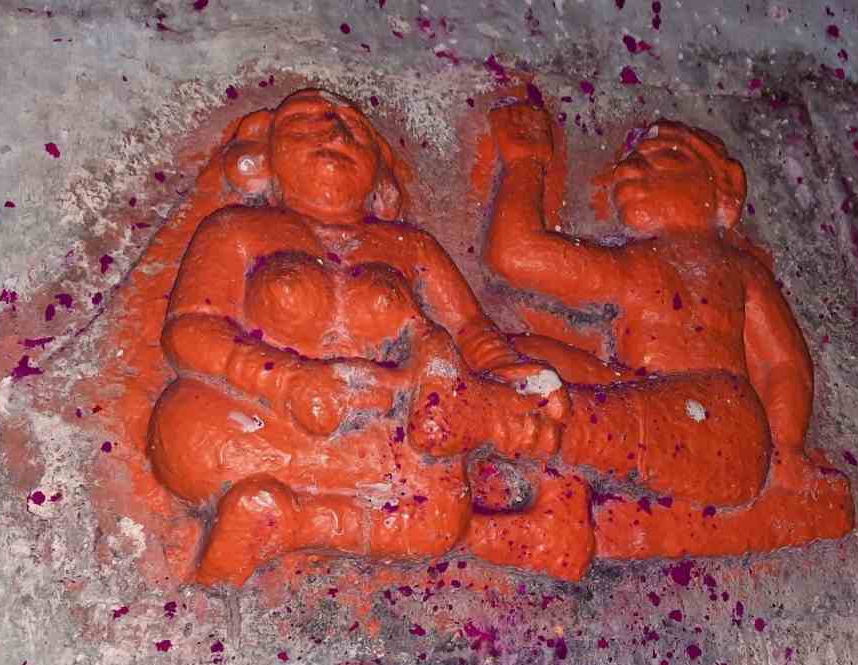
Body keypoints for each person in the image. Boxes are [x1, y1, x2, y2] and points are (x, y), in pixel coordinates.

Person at [147, 89, 571, 586]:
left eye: (353, 129)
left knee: (440, 515)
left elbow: (470, 331)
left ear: (379, 172)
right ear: (263, 159)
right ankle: (278, 514)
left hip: (376, 434)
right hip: (255, 424)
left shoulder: (410, 246)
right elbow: (191, 330)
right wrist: (287, 380)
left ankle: (284, 522)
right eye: (305, 123)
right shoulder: (238, 229)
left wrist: (505, 380)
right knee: (197, 443)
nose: (334, 132)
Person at [474, 99, 853, 562]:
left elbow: (784, 363)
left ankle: (528, 439)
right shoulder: (639, 264)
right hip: (647, 397)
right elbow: (516, 255)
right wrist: (524, 160)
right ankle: (548, 480)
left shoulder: (734, 271)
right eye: (631, 163)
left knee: (554, 405)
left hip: (718, 430)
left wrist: (787, 449)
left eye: (667, 157)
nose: (633, 170)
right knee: (518, 358)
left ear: (725, 192)